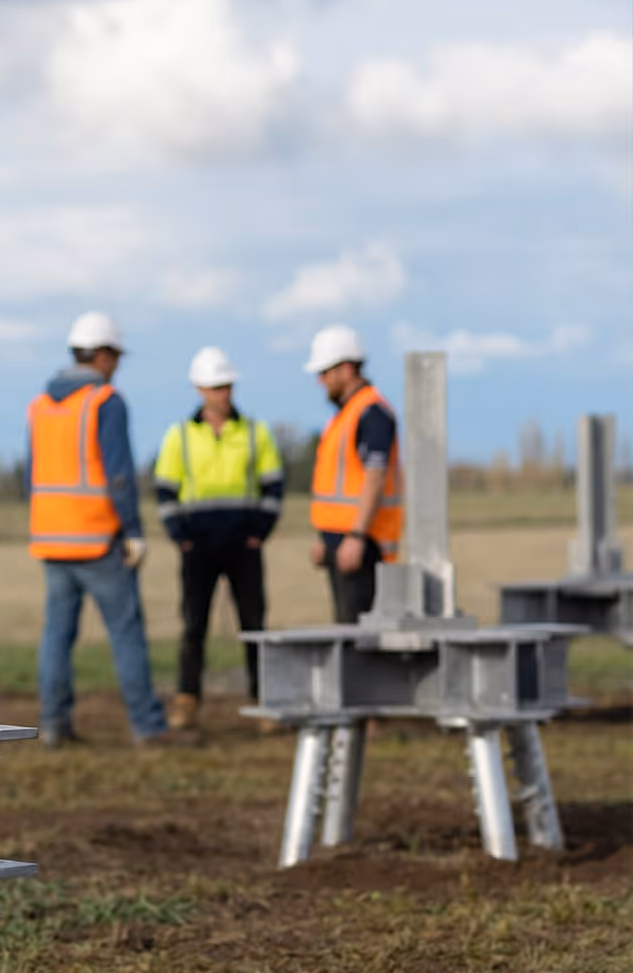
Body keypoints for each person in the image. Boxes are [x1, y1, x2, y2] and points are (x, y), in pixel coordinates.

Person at [27, 312, 168, 747]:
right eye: (116, 357)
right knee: (126, 633)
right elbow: (119, 474)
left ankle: (54, 725)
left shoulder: (40, 406)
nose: (117, 366)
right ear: (103, 355)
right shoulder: (105, 401)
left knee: (56, 636)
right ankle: (147, 727)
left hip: (51, 540)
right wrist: (133, 531)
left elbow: (32, 474)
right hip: (97, 539)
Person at [153, 347, 284, 738]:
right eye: (213, 387)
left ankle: (265, 703)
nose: (221, 394)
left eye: (225, 386)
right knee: (194, 627)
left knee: (254, 625)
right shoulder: (179, 435)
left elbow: (273, 487)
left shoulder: (255, 433)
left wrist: (258, 532)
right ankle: (187, 702)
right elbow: (164, 490)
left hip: (243, 545)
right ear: (199, 389)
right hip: (199, 548)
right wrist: (182, 538)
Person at [304, 325, 403, 623]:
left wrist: (357, 535)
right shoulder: (345, 415)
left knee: (358, 636)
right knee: (345, 632)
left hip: (362, 545)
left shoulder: (372, 412)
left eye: (324, 372)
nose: (320, 381)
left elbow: (375, 475)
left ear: (346, 369)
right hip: (344, 543)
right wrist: (327, 539)